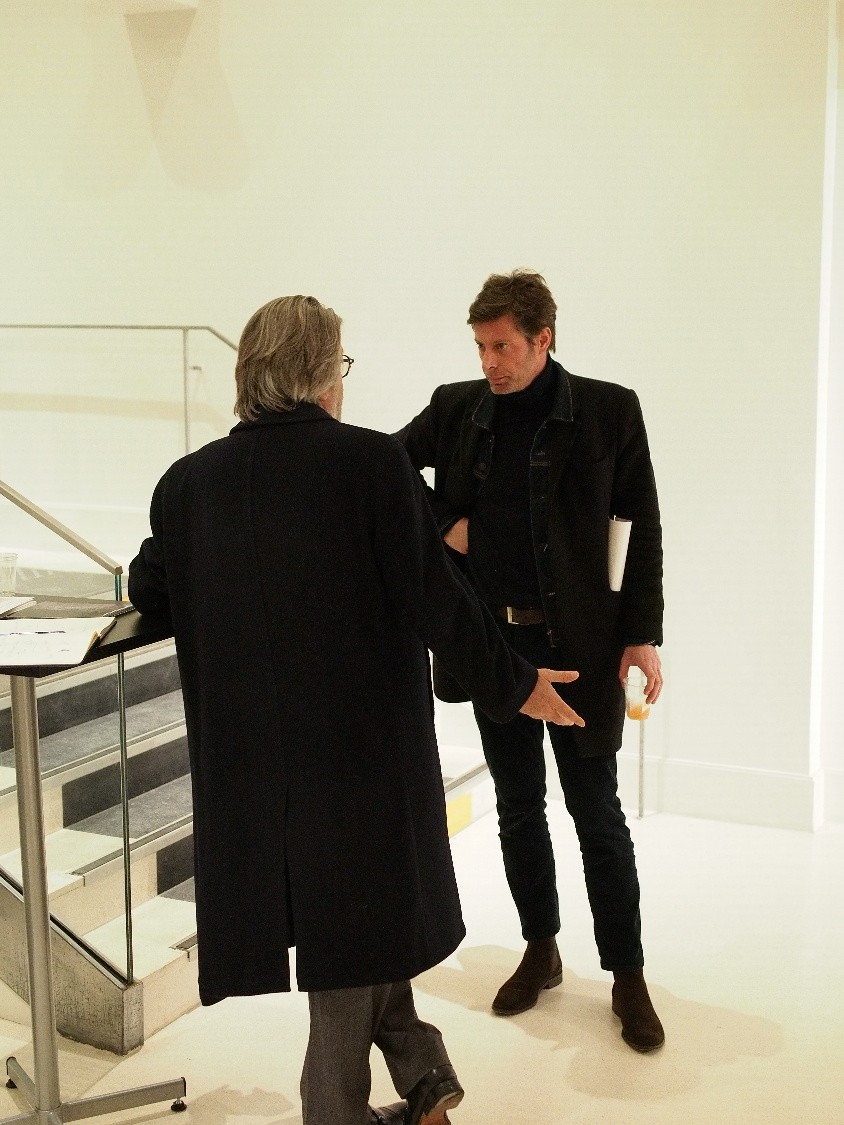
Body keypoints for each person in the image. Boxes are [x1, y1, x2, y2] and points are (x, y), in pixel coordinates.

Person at [128, 294, 585, 1125]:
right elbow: (441, 602)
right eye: (338, 365)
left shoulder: (188, 484)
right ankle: (334, 1110)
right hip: (359, 759)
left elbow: (148, 586)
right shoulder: (370, 464)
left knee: (365, 929)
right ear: (319, 376)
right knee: (357, 935)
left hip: (252, 772)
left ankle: (424, 1077)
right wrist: (519, 682)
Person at [395, 270, 666, 1052]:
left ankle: (626, 972)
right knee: (518, 806)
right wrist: (444, 521)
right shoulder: (457, 408)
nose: (490, 363)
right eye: (481, 347)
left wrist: (641, 631)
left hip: (580, 648)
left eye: (503, 347)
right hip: (495, 648)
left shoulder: (608, 410)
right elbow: (385, 470)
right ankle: (540, 946)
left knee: (597, 813)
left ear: (543, 338)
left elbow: (640, 523)